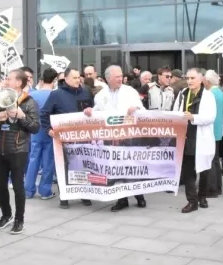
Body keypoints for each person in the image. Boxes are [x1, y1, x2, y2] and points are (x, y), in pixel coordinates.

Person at [87, 65, 146, 212]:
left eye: (121, 76)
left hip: (128, 138)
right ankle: (122, 199)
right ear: (108, 79)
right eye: (117, 77)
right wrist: (90, 112)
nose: (121, 79)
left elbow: (142, 110)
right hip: (110, 140)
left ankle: (139, 194)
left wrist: (136, 110)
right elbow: (97, 113)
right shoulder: (100, 96)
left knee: (131, 167)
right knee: (116, 169)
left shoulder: (130, 92)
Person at [0, 69, 40, 235]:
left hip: (18, 150)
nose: (5, 81)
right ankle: (6, 215)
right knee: (0, 186)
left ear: (19, 82)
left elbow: (35, 127)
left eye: (9, 79)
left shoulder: (29, 102)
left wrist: (22, 116)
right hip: (0, 149)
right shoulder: (1, 99)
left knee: (18, 187)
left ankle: (19, 219)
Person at [41, 68, 94, 209]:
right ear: (66, 79)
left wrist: (91, 111)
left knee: (83, 166)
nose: (78, 80)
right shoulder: (56, 94)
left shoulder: (86, 91)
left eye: (79, 77)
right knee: (64, 167)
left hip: (83, 138)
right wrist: (48, 129)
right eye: (75, 78)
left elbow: (94, 109)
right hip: (63, 139)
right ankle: (64, 196)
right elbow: (44, 113)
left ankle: (84, 194)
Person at [174, 68, 216, 213]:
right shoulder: (183, 94)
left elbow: (211, 117)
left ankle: (202, 196)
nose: (189, 81)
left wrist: (193, 117)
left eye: (192, 78)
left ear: (201, 79)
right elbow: (176, 113)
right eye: (188, 78)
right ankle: (192, 201)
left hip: (201, 136)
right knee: (188, 171)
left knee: (204, 170)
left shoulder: (208, 95)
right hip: (186, 136)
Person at [25, 68, 58, 200]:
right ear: (55, 80)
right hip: (50, 131)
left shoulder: (32, 95)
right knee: (48, 162)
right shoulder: (55, 95)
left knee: (33, 160)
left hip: (35, 131)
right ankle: (45, 191)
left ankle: (28, 190)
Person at [204, 70, 223, 197]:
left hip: (211, 130)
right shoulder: (219, 92)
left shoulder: (210, 93)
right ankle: (217, 187)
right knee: (215, 160)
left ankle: (211, 189)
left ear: (207, 81)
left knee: (210, 160)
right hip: (217, 130)